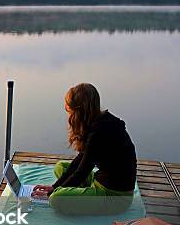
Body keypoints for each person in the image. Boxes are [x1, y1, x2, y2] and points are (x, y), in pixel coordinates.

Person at [31, 83, 137, 215]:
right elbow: (81, 159)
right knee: (60, 167)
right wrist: (55, 186)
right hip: (100, 182)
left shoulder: (100, 132)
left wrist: (52, 193)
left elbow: (82, 171)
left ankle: (77, 195)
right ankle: (79, 193)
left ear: (78, 110)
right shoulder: (99, 122)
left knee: (57, 199)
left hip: (114, 197)